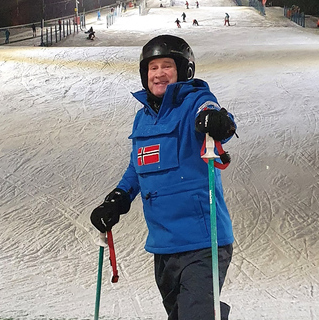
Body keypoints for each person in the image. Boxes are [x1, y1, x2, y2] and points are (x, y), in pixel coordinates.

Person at [90, 35, 237, 320]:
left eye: (166, 66)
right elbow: (137, 166)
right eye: (152, 67)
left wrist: (218, 121)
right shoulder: (142, 119)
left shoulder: (195, 99)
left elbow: (211, 113)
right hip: (164, 245)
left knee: (197, 315)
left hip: (202, 241)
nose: (159, 74)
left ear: (184, 71)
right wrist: (118, 199)